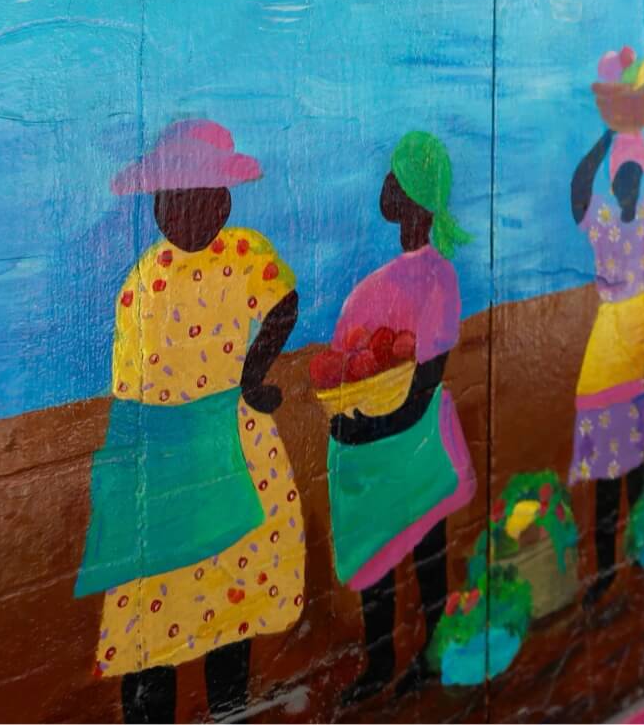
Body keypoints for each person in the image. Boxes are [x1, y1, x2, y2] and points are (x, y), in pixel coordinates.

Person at [76, 119, 303, 723]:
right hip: (169, 465)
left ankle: (229, 710)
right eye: (166, 200)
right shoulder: (142, 282)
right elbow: (130, 402)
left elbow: (285, 304)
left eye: (192, 198)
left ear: (222, 201)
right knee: (153, 624)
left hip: (233, 448)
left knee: (230, 610)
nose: (177, 212)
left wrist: (253, 374)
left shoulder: (246, 252)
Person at [327, 132, 477, 704]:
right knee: (378, 557)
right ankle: (380, 660)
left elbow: (423, 384)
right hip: (378, 444)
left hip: (414, 447)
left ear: (412, 193)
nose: (385, 187)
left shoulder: (437, 277)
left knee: (427, 553)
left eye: (393, 178)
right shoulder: (383, 283)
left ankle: (433, 647)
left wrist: (367, 427)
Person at [568, 124, 644, 598]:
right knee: (610, 470)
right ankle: (607, 569)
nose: (630, 180)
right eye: (623, 173)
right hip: (612, 349)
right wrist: (606, 137)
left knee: (641, 467)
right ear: (612, 182)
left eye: (636, 172)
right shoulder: (603, 223)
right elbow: (577, 185)